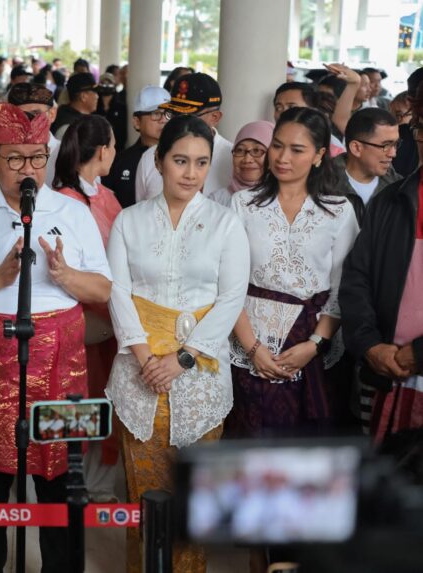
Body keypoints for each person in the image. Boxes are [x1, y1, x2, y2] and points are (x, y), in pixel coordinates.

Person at [0, 103, 112, 573]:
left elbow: (103, 289)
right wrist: (0, 275)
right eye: (14, 159)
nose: (27, 169)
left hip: (60, 360)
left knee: (60, 477)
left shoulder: (71, 212)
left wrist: (65, 275)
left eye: (36, 157)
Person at [105, 114, 250, 573]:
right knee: (143, 493)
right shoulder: (128, 221)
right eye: (180, 160)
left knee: (193, 498)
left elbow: (231, 299)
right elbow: (118, 292)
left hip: (199, 372)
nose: (190, 173)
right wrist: (148, 358)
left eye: (201, 163)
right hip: (139, 370)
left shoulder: (226, 224)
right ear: (159, 161)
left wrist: (182, 358)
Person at [226, 107, 359, 440]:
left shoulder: (339, 212)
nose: (282, 157)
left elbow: (343, 288)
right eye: (277, 145)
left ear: (318, 156)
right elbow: (229, 283)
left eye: (297, 149)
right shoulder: (243, 204)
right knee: (248, 441)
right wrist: (252, 348)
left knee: (303, 448)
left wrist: (314, 345)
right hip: (248, 342)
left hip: (311, 345)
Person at [339, 93, 423, 444]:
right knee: (385, 481)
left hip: (409, 362)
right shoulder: (392, 199)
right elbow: (357, 277)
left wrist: (416, 353)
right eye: (420, 128)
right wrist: (371, 345)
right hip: (383, 370)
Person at [53, 113, 122, 503]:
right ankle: (66, 481)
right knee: (75, 398)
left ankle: (94, 483)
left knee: (103, 397)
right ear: (101, 151)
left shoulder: (105, 195)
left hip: (106, 315)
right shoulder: (65, 202)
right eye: (112, 145)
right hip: (77, 319)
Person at [133, 73, 233, 203]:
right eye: (174, 113)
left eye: (189, 115)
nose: (179, 121)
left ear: (215, 117)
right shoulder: (150, 157)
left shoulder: (232, 159)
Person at [0, 82, 61, 191]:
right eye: (20, 116)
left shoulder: (66, 153)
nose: (27, 121)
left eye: (36, 114)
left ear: (52, 115)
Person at [102, 86, 170, 208]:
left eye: (168, 114)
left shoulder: (182, 157)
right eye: (156, 114)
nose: (164, 120)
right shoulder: (119, 161)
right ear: (137, 122)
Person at [333, 107, 401, 225]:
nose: (393, 153)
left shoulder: (400, 189)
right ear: (356, 148)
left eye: (396, 144)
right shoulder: (319, 183)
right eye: (385, 145)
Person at [207, 120, 273, 207]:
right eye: (240, 150)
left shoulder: (284, 200)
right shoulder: (216, 200)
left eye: (256, 151)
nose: (247, 159)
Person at [51, 72, 99, 138]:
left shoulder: (64, 113)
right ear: (83, 96)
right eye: (95, 91)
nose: (97, 96)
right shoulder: (70, 128)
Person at [95, 72, 127, 152]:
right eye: (103, 83)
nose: (106, 86)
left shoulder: (121, 107)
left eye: (109, 83)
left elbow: (123, 132)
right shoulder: (94, 107)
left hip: (117, 150)